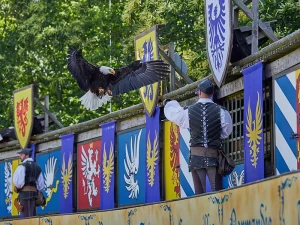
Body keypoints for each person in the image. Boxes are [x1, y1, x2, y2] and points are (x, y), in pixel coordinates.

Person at [163, 79, 233, 194]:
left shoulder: (188, 111)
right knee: (217, 193)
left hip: (196, 157)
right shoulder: (221, 112)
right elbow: (227, 131)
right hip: (214, 156)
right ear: (212, 93)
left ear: (199, 92)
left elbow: (174, 114)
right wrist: (214, 137)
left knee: (199, 194)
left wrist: (169, 104)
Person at [13, 148, 45, 217]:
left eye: (21, 155)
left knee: (26, 218)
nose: (20, 156)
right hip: (34, 196)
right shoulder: (38, 167)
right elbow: (41, 186)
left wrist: (16, 188)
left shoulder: (22, 166)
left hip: (24, 195)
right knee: (32, 216)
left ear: (27, 155)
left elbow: (18, 183)